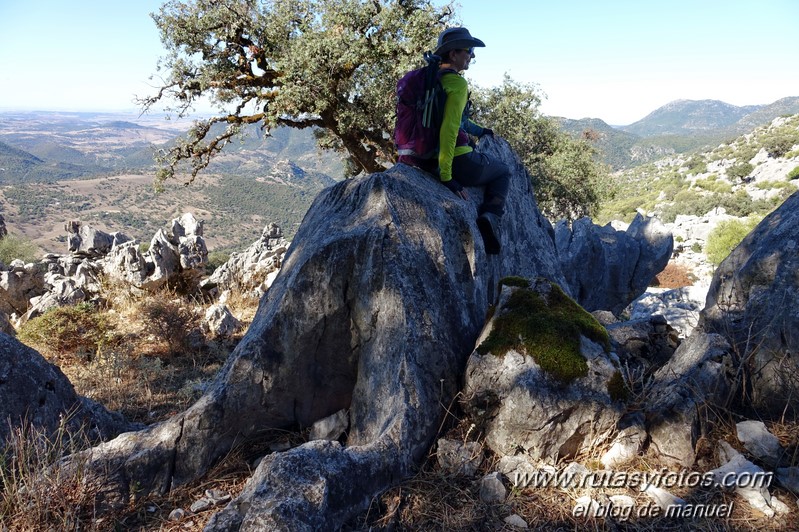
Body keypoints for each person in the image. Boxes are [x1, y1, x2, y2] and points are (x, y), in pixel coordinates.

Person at [433, 27, 510, 254]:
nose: (472, 56)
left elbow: (459, 120)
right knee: (503, 171)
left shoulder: (432, 79)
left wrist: (481, 130)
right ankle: (490, 217)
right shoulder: (457, 84)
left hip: (424, 157)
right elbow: (449, 129)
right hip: (459, 162)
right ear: (453, 53)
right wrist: (446, 176)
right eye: (468, 50)